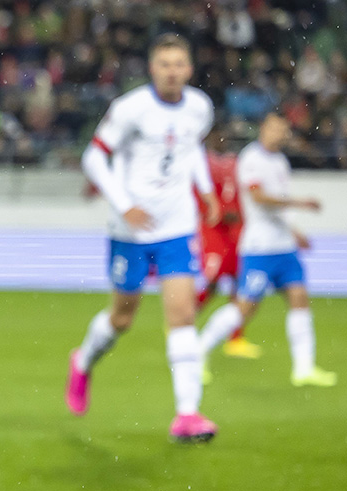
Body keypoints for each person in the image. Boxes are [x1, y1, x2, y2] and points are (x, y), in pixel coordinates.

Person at [65, 34, 222, 443]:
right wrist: (123, 204)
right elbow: (94, 157)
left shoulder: (200, 107)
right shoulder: (131, 108)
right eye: (165, 64)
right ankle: (82, 361)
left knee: (182, 316)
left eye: (179, 64)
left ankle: (187, 415)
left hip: (176, 227)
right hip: (130, 230)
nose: (172, 71)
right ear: (153, 69)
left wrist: (205, 191)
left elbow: (192, 151)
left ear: (189, 69)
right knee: (122, 318)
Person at [198, 113, 336, 387]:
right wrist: (299, 203)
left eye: (283, 130)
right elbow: (257, 196)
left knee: (298, 298)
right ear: (264, 129)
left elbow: (279, 203)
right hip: (260, 247)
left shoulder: (280, 161)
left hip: (283, 246)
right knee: (245, 307)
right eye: (274, 128)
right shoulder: (252, 159)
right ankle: (198, 352)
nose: (279, 134)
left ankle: (303, 368)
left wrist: (295, 232)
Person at [195, 130, 261, 359]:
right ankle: (184, 323)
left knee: (237, 282)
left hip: (236, 231)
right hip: (214, 230)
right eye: (217, 137)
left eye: (224, 137)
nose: (222, 140)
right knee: (212, 280)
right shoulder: (203, 164)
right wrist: (221, 213)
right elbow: (200, 198)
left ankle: (236, 338)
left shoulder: (236, 163)